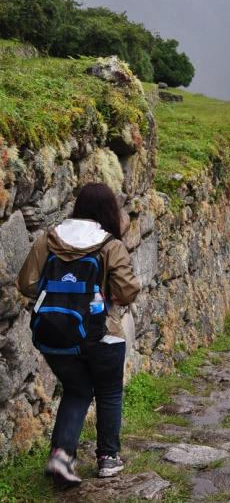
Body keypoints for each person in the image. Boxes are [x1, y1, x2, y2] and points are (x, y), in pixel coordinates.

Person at [16, 183, 141, 487]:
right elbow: (127, 290)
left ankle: (61, 455)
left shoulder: (49, 239)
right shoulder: (110, 245)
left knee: (77, 390)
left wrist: (61, 302)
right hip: (103, 333)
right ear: (108, 211)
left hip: (55, 335)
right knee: (109, 391)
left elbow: (26, 283)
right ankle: (108, 458)